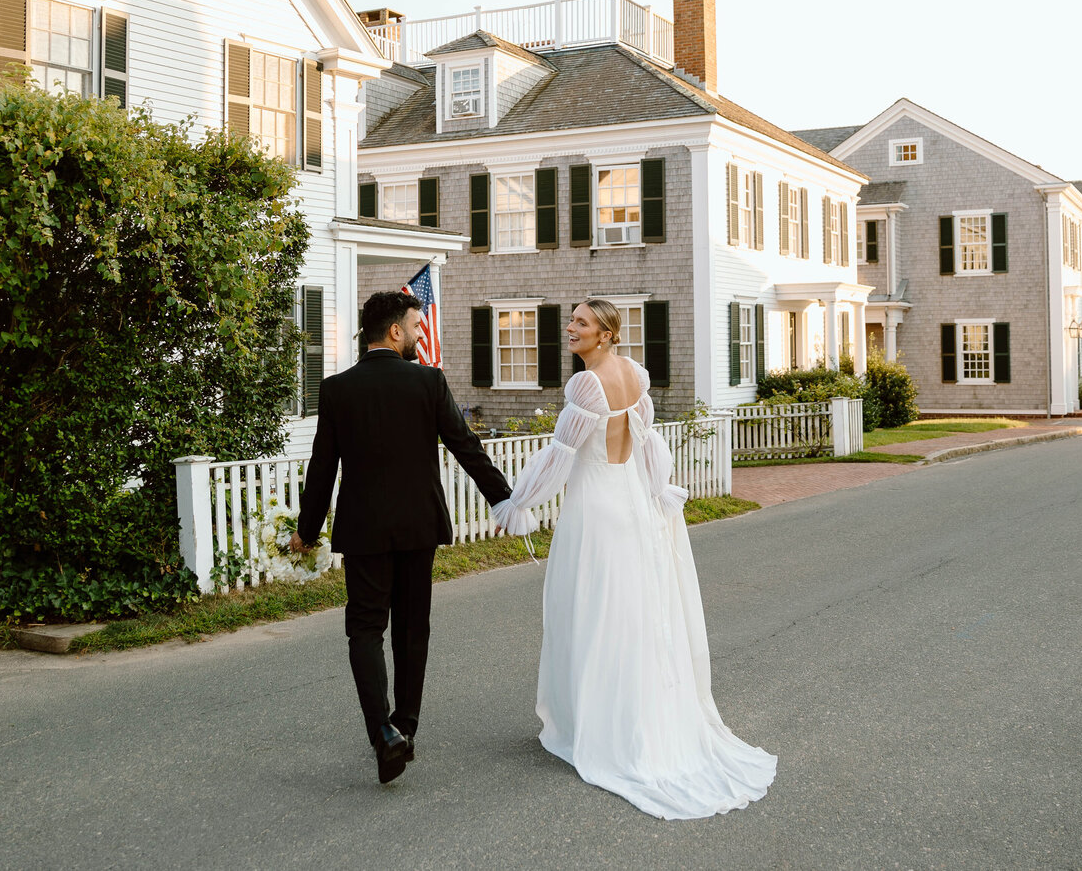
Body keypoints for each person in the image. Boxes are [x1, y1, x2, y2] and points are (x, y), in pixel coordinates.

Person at [491, 298, 776, 819]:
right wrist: (660, 491)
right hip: (632, 502)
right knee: (635, 615)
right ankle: (637, 716)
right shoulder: (636, 376)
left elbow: (560, 457)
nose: (570, 328)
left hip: (596, 509)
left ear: (605, 334)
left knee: (592, 612)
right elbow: (648, 446)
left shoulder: (586, 385)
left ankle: (599, 728)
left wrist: (517, 503)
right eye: (572, 320)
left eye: (581, 323)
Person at [293, 290, 513, 784]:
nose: (418, 334)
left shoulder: (336, 390)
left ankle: (382, 735)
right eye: (415, 325)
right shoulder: (428, 382)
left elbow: (322, 469)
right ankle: (405, 729)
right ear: (394, 331)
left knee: (366, 629)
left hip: (364, 529)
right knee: (413, 628)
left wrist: (307, 531)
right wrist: (503, 499)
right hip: (418, 526)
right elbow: (466, 446)